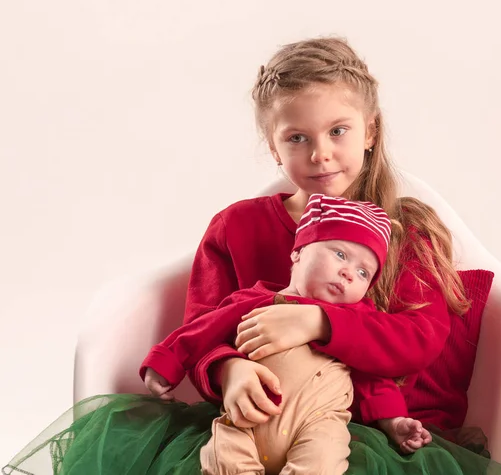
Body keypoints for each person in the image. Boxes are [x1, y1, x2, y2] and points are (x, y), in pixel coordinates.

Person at [3, 36, 501, 475]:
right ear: (274, 147)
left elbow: (419, 340)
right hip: (245, 420)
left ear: (370, 131)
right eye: (298, 137)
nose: (320, 153)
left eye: (338, 130)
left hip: (348, 425)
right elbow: (203, 327)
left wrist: (318, 322)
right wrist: (229, 371)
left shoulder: (406, 230)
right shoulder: (238, 226)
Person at [142, 194, 432, 474]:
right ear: (298, 252)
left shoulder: (355, 320)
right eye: (340, 254)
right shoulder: (254, 300)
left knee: (321, 461)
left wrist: (393, 420)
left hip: (317, 424)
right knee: (223, 459)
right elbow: (201, 330)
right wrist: (165, 362)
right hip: (246, 422)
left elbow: (372, 376)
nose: (348, 273)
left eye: (362, 273)